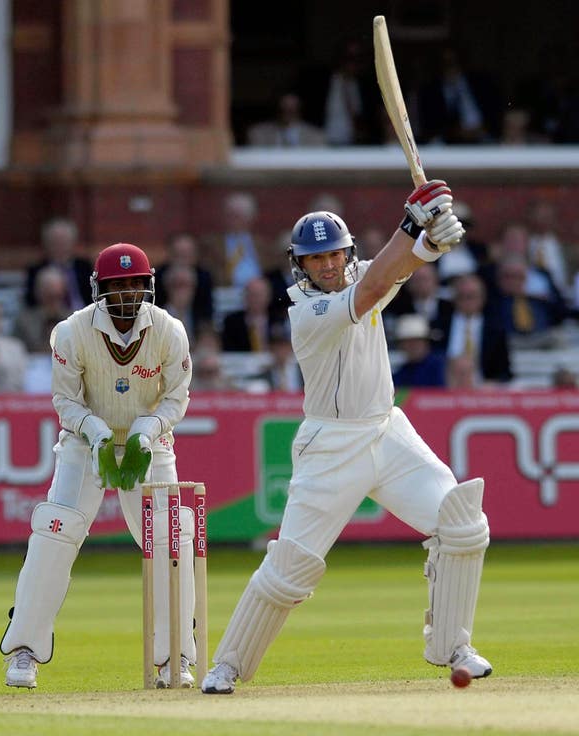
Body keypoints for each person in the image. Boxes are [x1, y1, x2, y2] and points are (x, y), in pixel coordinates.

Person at [201, 180, 493, 695]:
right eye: (316, 261)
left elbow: (394, 271)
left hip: (387, 430)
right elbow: (379, 285)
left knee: (462, 521)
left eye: (335, 255)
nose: (329, 267)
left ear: (348, 253)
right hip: (331, 446)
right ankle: (227, 664)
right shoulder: (306, 312)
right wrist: (412, 226)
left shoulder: (360, 274)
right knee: (291, 567)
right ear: (300, 266)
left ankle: (453, 645)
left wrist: (431, 242)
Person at [0, 243, 196, 690]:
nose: (125, 293)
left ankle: (176, 656)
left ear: (148, 286)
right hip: (84, 444)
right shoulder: (71, 332)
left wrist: (148, 428)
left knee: (170, 538)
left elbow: (177, 396)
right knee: (55, 530)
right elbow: (64, 400)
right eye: (115, 285)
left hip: (149, 443)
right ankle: (26, 649)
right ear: (98, 289)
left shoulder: (169, 330)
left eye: (133, 284)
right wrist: (94, 430)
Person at [25, 217, 93, 310]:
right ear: (46, 243)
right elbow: (31, 302)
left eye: (64, 241)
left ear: (73, 242)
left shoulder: (85, 267)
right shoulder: (35, 270)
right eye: (55, 241)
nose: (60, 246)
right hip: (50, 319)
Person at [247, 92, 326, 147]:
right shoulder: (258, 134)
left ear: (300, 110)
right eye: (283, 109)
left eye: (292, 110)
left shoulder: (316, 137)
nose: (287, 113)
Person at [392, 313, 447, 388]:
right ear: (401, 345)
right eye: (408, 342)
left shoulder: (443, 366)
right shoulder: (399, 375)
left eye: (417, 341)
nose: (413, 346)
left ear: (426, 342)